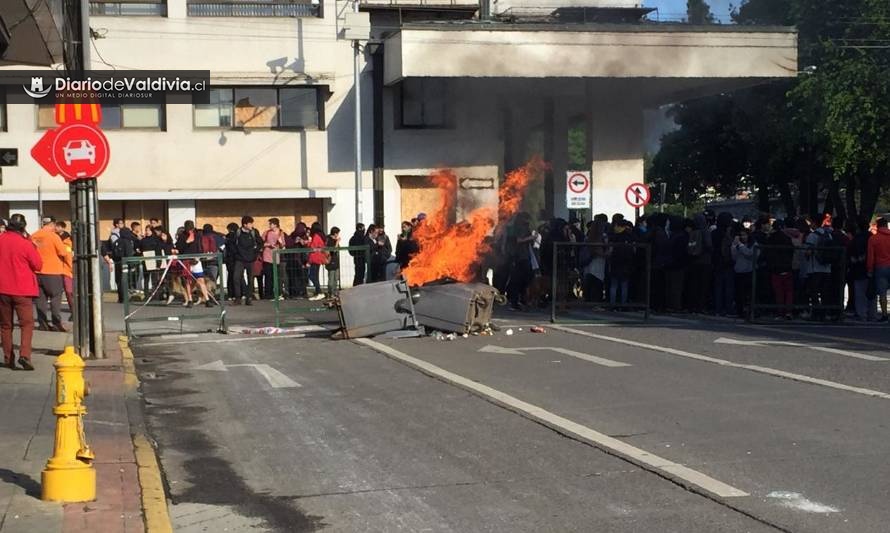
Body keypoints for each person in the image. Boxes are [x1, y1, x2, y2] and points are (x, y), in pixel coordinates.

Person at [0, 214, 42, 370]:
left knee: (5, 325)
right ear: (23, 227)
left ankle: (8, 357)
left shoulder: (1, 240)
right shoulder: (26, 244)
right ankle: (24, 355)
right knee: (27, 324)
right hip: (22, 290)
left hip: (2, 288)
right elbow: (38, 265)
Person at [31, 216, 72, 332]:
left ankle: (42, 323)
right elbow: (63, 252)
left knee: (40, 299)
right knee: (55, 298)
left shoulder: (33, 236)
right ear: (52, 224)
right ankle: (56, 322)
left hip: (37, 272)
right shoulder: (54, 237)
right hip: (53, 272)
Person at [174, 221, 212, 308]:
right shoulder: (182, 236)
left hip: (196, 260)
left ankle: (207, 299)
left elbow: (200, 246)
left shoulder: (198, 235)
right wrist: (186, 242)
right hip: (186, 261)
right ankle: (190, 300)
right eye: (188, 229)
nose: (190, 231)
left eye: (191, 229)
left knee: (200, 280)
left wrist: (200, 256)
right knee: (188, 281)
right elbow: (179, 248)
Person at [804, 215, 834, 320]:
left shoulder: (812, 236)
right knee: (825, 292)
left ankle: (816, 313)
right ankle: (825, 313)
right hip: (827, 268)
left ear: (814, 223)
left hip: (814, 268)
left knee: (814, 291)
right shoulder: (828, 235)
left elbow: (807, 252)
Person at [764, 219, 795, 319]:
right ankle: (788, 311)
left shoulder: (770, 238)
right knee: (789, 291)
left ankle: (780, 312)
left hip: (775, 268)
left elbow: (767, 254)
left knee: (779, 292)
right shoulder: (787, 238)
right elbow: (792, 252)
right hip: (787, 267)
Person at [230, 216, 262, 306]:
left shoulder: (254, 232)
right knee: (236, 278)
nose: (252, 225)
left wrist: (254, 252)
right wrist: (236, 253)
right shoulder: (238, 232)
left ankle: (249, 298)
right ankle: (238, 298)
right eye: (250, 223)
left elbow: (260, 242)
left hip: (250, 259)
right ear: (245, 224)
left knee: (250, 279)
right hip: (239, 259)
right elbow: (231, 244)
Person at [850, 216, 875, 321]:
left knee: (860, 293)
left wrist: (855, 260)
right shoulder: (872, 237)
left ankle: (862, 314)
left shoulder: (857, 238)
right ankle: (872, 314)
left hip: (859, 268)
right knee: (872, 293)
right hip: (872, 267)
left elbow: (852, 252)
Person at [867, 216, 890, 322]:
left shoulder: (874, 239)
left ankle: (885, 314)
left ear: (877, 226)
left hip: (880, 267)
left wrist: (870, 269)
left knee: (882, 292)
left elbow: (871, 256)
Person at [731, 229, 754, 319]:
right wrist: (734, 245)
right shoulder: (738, 245)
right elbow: (734, 256)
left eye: (745, 235)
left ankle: (748, 311)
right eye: (741, 235)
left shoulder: (753, 244)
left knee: (748, 293)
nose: (743, 237)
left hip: (749, 271)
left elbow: (749, 253)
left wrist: (740, 245)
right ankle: (739, 310)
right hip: (739, 270)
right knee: (739, 293)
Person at [261, 218, 286, 300]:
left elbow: (283, 245)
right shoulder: (266, 232)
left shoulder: (281, 233)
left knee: (277, 276)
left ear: (275, 224)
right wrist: (268, 244)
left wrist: (280, 242)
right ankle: (268, 294)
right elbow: (261, 243)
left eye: (271, 224)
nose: (270, 225)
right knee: (268, 276)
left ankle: (278, 293)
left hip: (276, 257)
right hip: (267, 256)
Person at [56, 222, 76, 321]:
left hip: (79, 272)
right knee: (69, 292)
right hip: (67, 271)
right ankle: (73, 311)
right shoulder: (66, 242)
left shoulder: (85, 244)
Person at [306, 222, 327, 300]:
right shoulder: (322, 236)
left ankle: (319, 292)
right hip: (319, 258)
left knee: (312, 276)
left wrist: (309, 261)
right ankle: (318, 292)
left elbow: (312, 247)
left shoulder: (316, 236)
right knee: (315, 276)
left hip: (315, 258)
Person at [325, 227, 341, 297]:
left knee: (336, 278)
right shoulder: (329, 240)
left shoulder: (334, 239)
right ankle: (330, 292)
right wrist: (337, 242)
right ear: (335, 233)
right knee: (331, 278)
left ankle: (334, 292)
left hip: (336, 261)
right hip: (331, 261)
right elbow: (333, 250)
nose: (338, 235)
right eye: (337, 233)